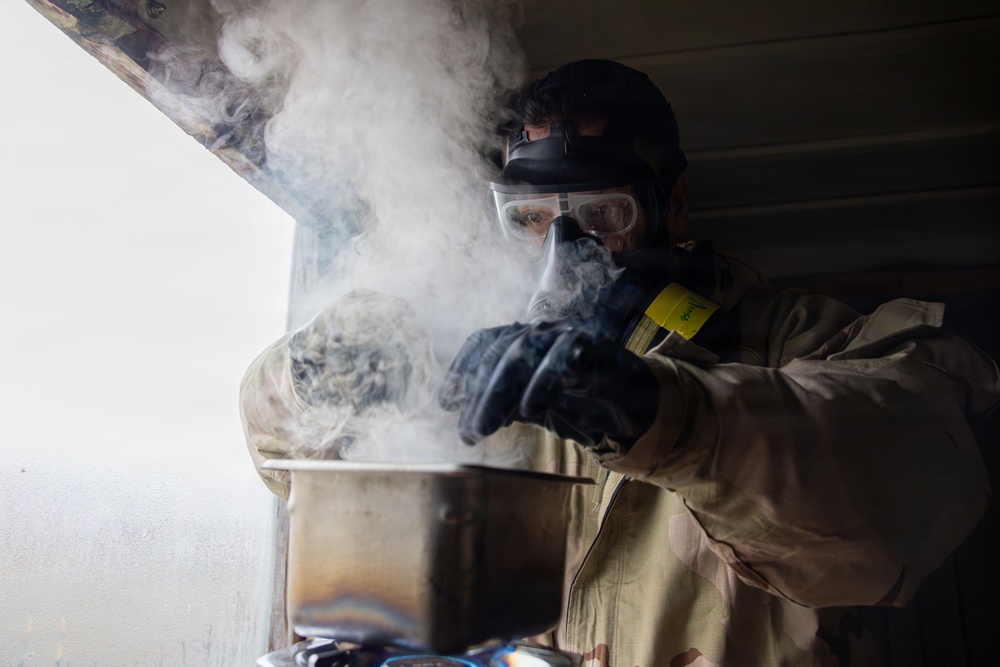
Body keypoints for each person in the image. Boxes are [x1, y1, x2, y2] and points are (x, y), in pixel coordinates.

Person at [241, 60, 998, 666]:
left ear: (671, 205)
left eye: (601, 216)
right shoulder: (482, 362)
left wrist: (669, 415)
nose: (562, 258)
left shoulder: (798, 338)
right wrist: (321, 369)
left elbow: (905, 504)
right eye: (531, 221)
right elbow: (286, 463)